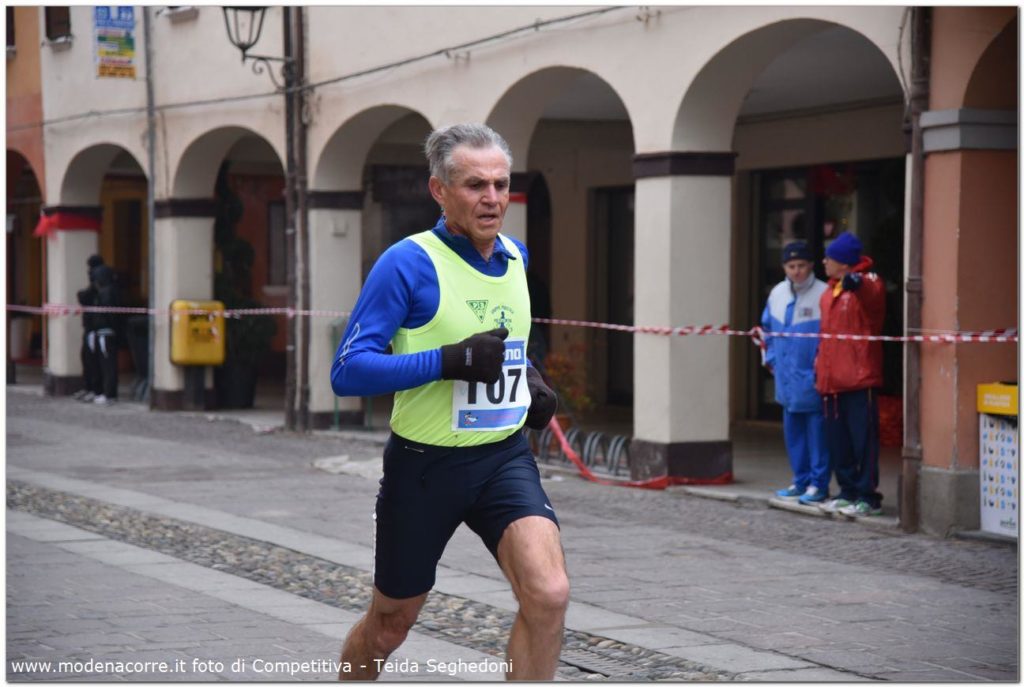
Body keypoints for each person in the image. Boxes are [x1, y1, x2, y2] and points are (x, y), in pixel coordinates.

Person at [330, 123, 566, 681]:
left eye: (501, 184)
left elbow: (507, 341)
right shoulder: (407, 263)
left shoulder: (516, 257)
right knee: (391, 624)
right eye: (474, 185)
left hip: (502, 458)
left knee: (549, 593)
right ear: (439, 189)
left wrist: (532, 380)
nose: (491, 198)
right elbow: (347, 370)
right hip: (424, 468)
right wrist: (447, 361)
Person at [814, 232, 886, 517]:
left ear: (843, 263)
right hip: (831, 381)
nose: (824, 262)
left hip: (858, 378)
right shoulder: (828, 292)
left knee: (863, 441)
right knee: (838, 441)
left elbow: (873, 298)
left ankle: (868, 496)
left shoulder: (867, 282)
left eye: (829, 258)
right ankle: (847, 491)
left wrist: (858, 286)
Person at [761, 241, 830, 505]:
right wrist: (773, 360)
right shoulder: (777, 293)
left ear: (811, 265)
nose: (797, 271)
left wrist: (820, 368)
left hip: (812, 378)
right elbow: (767, 328)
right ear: (784, 268)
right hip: (786, 379)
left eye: (802, 265)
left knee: (817, 435)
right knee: (794, 435)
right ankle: (800, 480)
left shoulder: (823, 294)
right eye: (792, 266)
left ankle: (818, 484)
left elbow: (830, 337)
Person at [73, 255, 104, 403]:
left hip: (94, 327)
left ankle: (95, 389)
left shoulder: (99, 284)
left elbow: (86, 297)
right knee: (87, 358)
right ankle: (89, 387)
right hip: (90, 326)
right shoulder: (97, 282)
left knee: (92, 360)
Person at [91, 264, 120, 405]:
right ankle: (108, 392)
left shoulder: (106, 292)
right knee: (106, 364)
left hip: (106, 332)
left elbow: (107, 313)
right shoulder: (109, 290)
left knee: (107, 364)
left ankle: (109, 393)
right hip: (106, 331)